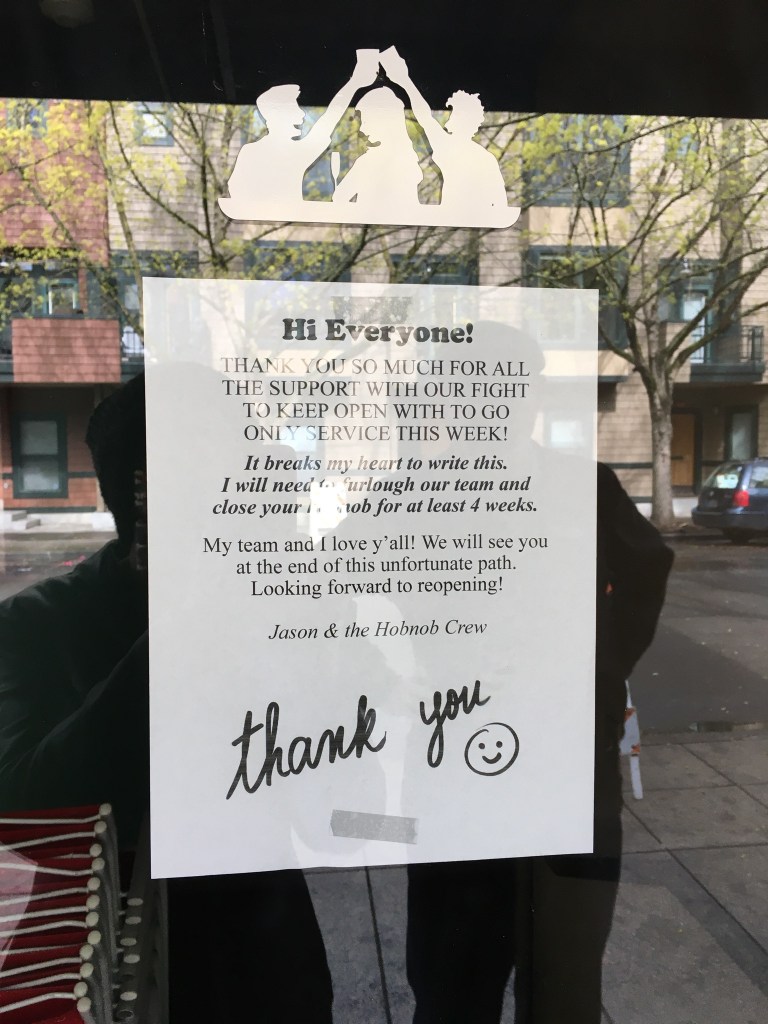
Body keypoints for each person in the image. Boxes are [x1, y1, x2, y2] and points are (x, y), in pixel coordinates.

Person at [0, 373, 334, 1023]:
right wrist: (179, 630)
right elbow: (24, 802)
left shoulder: (272, 610)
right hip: (121, 965)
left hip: (268, 958)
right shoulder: (37, 625)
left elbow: (342, 808)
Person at [405, 461, 674, 1023]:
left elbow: (332, 573)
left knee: (472, 979)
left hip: (488, 753)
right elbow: (647, 564)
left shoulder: (424, 483)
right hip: (514, 755)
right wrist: (602, 669)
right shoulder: (577, 479)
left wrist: (602, 671)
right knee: (537, 979)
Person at [224, 50, 379, 209]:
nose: (302, 114)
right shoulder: (259, 153)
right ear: (276, 116)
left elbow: (329, 119)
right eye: (294, 108)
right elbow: (237, 194)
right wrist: (354, 83)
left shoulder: (290, 153)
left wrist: (354, 84)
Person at [380, 48, 509, 214]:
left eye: (455, 114)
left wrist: (405, 80)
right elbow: (424, 116)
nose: (450, 119)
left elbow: (499, 205)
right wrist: (403, 80)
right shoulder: (477, 155)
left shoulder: (458, 150)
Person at [331, 86, 424, 215]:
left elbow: (339, 197)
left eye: (366, 122)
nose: (362, 130)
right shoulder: (408, 161)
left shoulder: (367, 162)